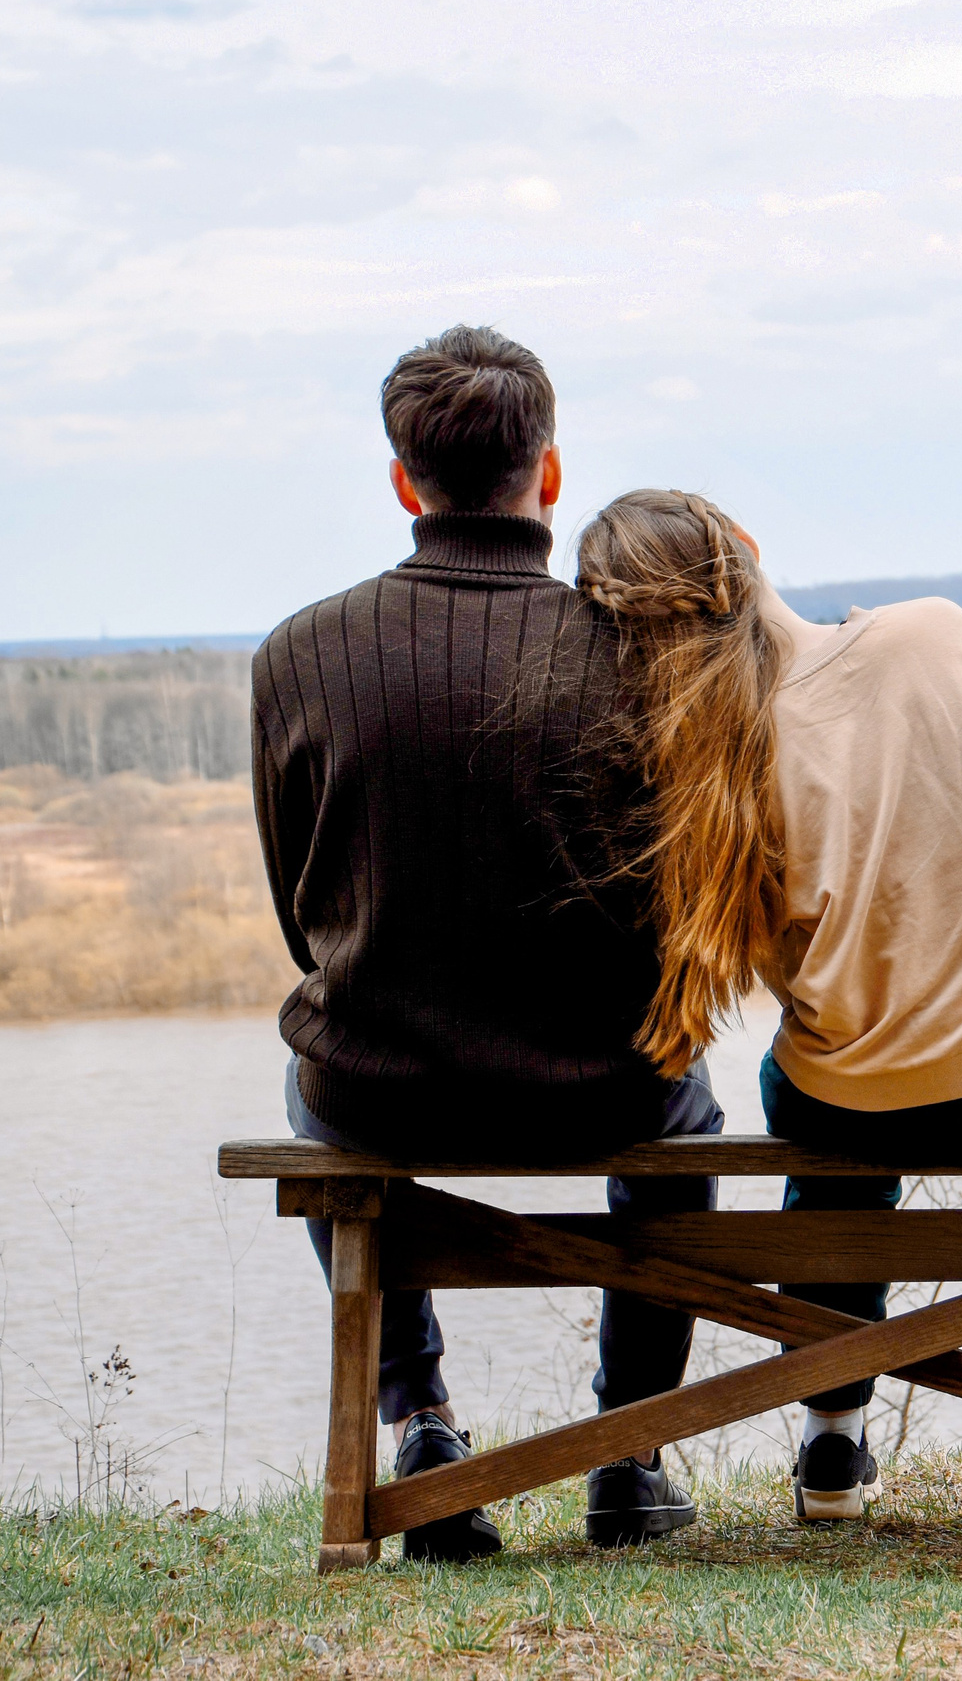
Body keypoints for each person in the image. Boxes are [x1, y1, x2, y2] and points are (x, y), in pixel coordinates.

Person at [574, 488, 962, 1529]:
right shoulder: (936, 631)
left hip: (860, 1101)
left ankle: (833, 1443)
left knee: (807, 1102)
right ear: (746, 550)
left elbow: (766, 965)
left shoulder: (703, 769)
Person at [251, 327, 717, 1560]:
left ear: (405, 482)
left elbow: (300, 906)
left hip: (382, 1089)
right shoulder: (633, 649)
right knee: (692, 1106)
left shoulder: (298, 654)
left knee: (309, 1087)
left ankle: (424, 1428)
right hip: (604, 1089)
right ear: (548, 477)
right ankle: (629, 1453)